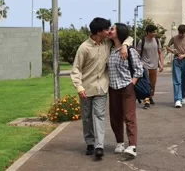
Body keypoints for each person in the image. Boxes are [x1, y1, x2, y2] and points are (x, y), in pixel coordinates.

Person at [70, 17, 128, 159]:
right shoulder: (84, 48)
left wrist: (125, 45)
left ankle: (99, 146)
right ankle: (90, 142)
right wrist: (79, 87)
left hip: (101, 87)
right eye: (106, 29)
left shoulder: (107, 43)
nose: (109, 31)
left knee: (99, 115)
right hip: (86, 88)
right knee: (87, 117)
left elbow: (127, 37)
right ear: (98, 32)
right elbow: (76, 69)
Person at [108, 23, 143, 158]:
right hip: (113, 88)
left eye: (112, 29)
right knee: (115, 117)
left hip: (127, 87)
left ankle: (132, 146)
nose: (110, 31)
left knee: (129, 117)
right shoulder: (109, 49)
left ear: (120, 32)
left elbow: (139, 69)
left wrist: (132, 83)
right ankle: (119, 142)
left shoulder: (130, 51)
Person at [136, 24, 164, 109]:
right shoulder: (142, 41)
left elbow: (160, 52)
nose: (155, 33)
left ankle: (150, 96)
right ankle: (146, 101)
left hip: (154, 65)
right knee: (146, 84)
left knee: (153, 84)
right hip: (144, 65)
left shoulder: (157, 40)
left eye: (155, 32)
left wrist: (161, 63)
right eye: (153, 32)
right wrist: (138, 65)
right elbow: (138, 54)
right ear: (148, 32)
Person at [166, 24, 185, 108]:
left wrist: (184, 55)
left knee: (184, 78)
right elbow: (167, 46)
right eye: (180, 33)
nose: (181, 35)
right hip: (176, 60)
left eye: (183, 33)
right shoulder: (174, 38)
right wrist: (173, 51)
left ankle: (183, 96)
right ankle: (177, 99)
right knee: (177, 80)